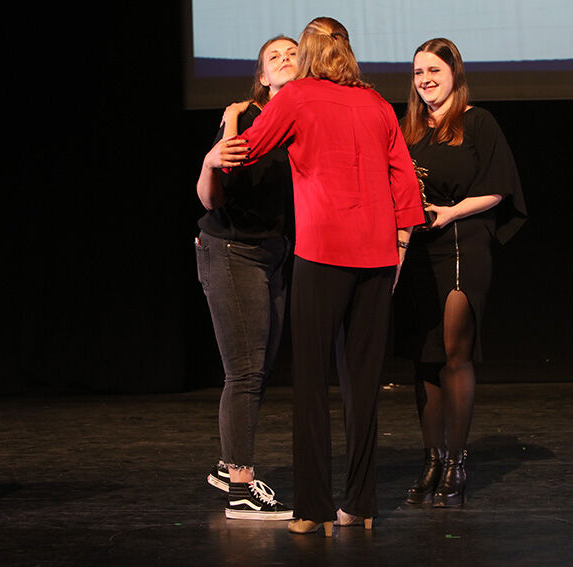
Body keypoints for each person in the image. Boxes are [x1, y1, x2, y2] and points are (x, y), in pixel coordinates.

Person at [221, 17, 425, 536]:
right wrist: (399, 246)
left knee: (311, 382)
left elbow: (245, 155)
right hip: (377, 257)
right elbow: (403, 178)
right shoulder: (378, 104)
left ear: (309, 53)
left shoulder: (298, 97)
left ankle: (313, 509)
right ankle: (360, 505)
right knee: (363, 386)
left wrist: (229, 126)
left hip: (323, 254)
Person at [397, 38, 527, 508]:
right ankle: (431, 459)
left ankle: (456, 461)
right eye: (417, 72)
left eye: (434, 70)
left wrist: (449, 212)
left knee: (454, 351)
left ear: (454, 73)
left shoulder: (477, 122)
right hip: (417, 248)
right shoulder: (407, 129)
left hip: (461, 242)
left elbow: (497, 189)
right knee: (424, 356)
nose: (426, 80)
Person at [195, 35, 299, 521]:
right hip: (232, 248)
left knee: (260, 366)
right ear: (262, 76)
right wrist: (209, 161)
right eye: (274, 57)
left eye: (293, 54)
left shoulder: (301, 121)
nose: (285, 60)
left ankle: (225, 462)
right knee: (245, 371)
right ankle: (240, 485)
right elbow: (211, 197)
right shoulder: (246, 117)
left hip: (274, 252)